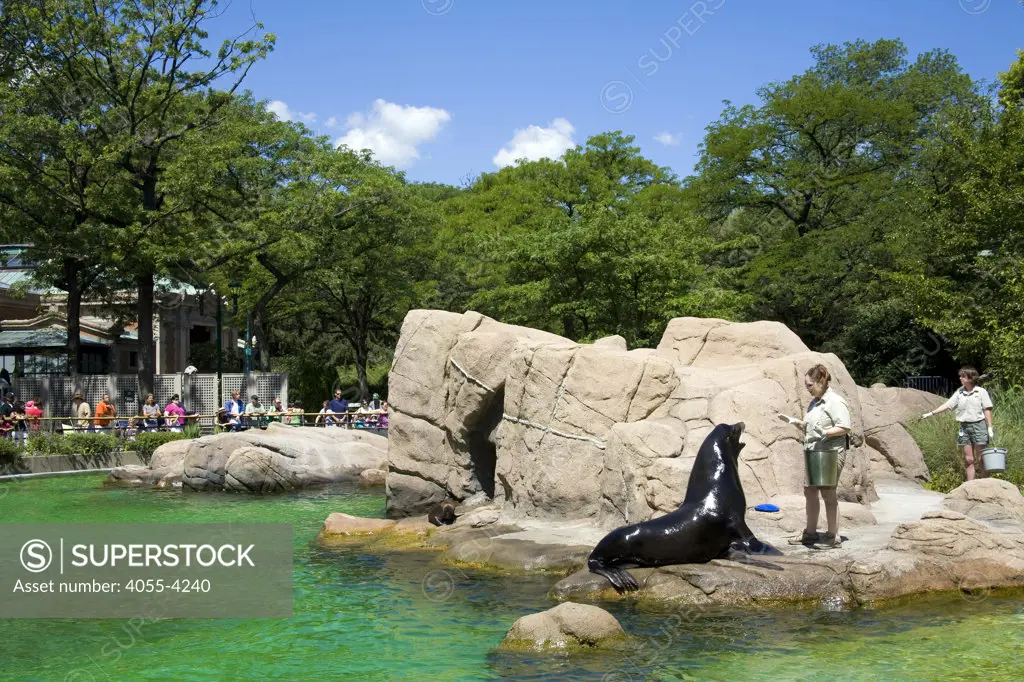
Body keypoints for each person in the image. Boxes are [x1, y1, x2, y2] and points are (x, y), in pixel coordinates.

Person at [780, 364, 851, 549]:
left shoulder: (835, 401)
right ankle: (810, 533)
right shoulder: (814, 402)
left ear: (821, 382)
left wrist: (826, 433)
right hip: (813, 451)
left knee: (828, 493)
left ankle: (832, 536)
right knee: (810, 491)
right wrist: (798, 423)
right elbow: (812, 426)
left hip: (830, 452)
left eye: (810, 385)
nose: (807, 388)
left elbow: (844, 426)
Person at [922, 366, 994, 481]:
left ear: (971, 378)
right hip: (964, 427)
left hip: (979, 425)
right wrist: (931, 413)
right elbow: (948, 405)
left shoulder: (981, 392)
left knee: (981, 459)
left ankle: (985, 483)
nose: (960, 378)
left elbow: (987, 410)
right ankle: (970, 485)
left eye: (963, 376)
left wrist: (990, 427)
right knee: (969, 459)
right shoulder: (960, 392)